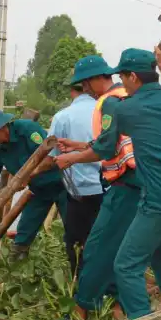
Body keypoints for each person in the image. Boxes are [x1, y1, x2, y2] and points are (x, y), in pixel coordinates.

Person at [57, 47, 161, 320]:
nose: (121, 82)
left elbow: (105, 148)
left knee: (126, 265)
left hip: (156, 199)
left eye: (123, 76)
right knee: (160, 251)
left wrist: (71, 158)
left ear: (133, 77)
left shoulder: (124, 108)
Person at [56, 54, 139, 320]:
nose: (86, 89)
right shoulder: (127, 96)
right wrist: (79, 145)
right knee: (123, 246)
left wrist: (71, 158)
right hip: (137, 180)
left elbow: (105, 147)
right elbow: (111, 140)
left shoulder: (110, 102)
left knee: (97, 246)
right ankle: (119, 306)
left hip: (126, 183)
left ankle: (83, 307)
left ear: (94, 79)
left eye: (85, 83)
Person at [0, 108, 68, 259]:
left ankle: (78, 267)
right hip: (38, 191)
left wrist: (26, 176)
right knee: (22, 236)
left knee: (73, 231)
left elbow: (50, 158)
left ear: (1, 128)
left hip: (63, 186)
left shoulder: (27, 130)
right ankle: (16, 264)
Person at [48, 83, 104, 276]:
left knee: (76, 242)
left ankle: (80, 282)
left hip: (80, 192)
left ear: (72, 91)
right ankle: (103, 282)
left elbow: (51, 156)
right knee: (105, 240)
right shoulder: (106, 111)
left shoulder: (62, 117)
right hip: (109, 187)